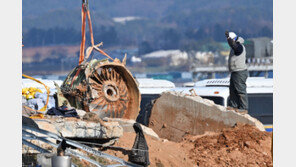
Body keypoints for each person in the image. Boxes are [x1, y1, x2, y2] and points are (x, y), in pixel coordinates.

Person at [225, 31, 248, 114]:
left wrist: (229, 39)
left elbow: (234, 46)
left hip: (240, 72)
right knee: (232, 90)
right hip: (235, 71)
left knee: (240, 90)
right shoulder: (235, 46)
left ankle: (243, 108)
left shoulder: (239, 46)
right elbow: (233, 45)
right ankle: (233, 106)